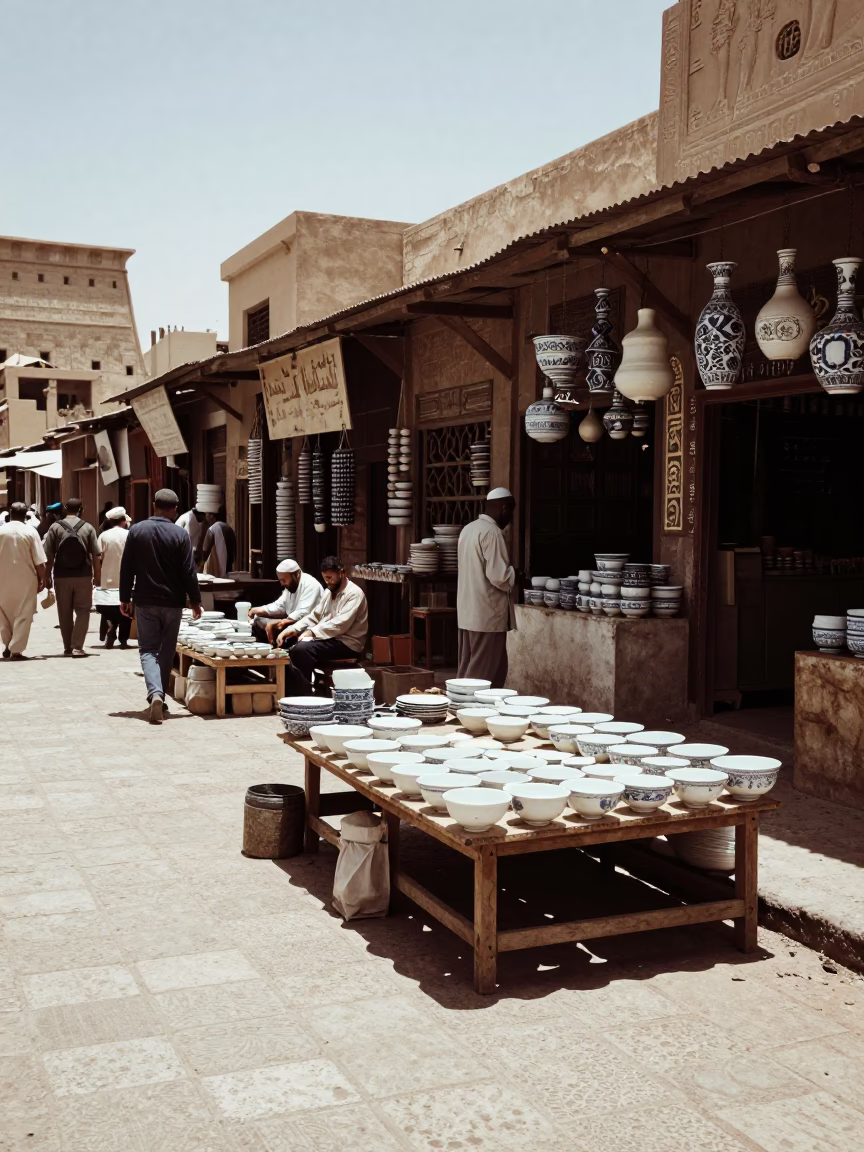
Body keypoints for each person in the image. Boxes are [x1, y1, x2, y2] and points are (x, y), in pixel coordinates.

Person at [119, 488, 202, 724]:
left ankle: (155, 693)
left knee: (148, 649)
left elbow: (127, 567)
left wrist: (125, 597)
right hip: (173, 602)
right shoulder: (179, 534)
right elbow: (189, 571)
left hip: (145, 601)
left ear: (153, 505)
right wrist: (195, 601)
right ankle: (160, 695)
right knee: (166, 650)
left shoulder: (136, 530)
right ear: (175, 510)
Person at [456, 487, 516, 689]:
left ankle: (471, 708)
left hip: (469, 612)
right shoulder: (492, 532)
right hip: (486, 614)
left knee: (476, 667)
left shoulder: (469, 529)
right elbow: (498, 575)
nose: (511, 517)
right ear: (505, 508)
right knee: (481, 673)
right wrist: (516, 576)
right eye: (512, 511)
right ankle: (467, 710)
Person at [280, 555, 367, 694]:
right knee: (287, 644)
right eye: (325, 578)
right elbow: (315, 615)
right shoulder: (328, 592)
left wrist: (312, 632)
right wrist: (293, 629)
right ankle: (289, 691)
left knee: (302, 650)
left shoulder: (354, 594)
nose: (328, 582)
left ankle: (302, 695)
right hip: (330, 638)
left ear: (341, 573)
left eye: (330, 578)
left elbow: (340, 624)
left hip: (348, 643)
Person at [42, 496, 101, 657]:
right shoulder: (88, 527)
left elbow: (48, 556)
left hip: (61, 576)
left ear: (65, 509)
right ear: (81, 509)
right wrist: (97, 575)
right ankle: (77, 646)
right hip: (83, 575)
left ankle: (68, 646)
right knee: (83, 611)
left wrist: (46, 577)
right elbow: (96, 554)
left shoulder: (55, 527)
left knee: (64, 611)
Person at [0, 501, 47, 660]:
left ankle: (7, 644)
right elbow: (40, 561)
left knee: (3, 614)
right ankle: (16, 650)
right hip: (26, 580)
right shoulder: (31, 532)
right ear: (25, 514)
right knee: (23, 614)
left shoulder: (0, 531)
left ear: (9, 513)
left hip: (2, 578)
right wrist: (43, 579)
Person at [248, 559, 323, 646]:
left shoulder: (311, 585)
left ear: (296, 575)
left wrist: (281, 623)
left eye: (284, 580)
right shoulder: (291, 586)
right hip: (290, 623)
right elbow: (280, 605)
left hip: (305, 627)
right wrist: (256, 610)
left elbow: (302, 613)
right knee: (259, 620)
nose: (282, 584)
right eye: (280, 580)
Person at [97, 506, 131, 649]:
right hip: (126, 579)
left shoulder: (104, 536)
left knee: (108, 608)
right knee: (126, 610)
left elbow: (98, 556)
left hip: (108, 578)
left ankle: (110, 626)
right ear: (123, 521)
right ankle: (123, 640)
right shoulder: (129, 535)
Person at [198, 510, 236, 577]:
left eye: (208, 515)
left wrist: (201, 564)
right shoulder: (229, 528)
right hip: (229, 566)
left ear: (212, 516)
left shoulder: (212, 529)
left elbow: (205, 549)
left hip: (218, 568)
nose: (206, 518)